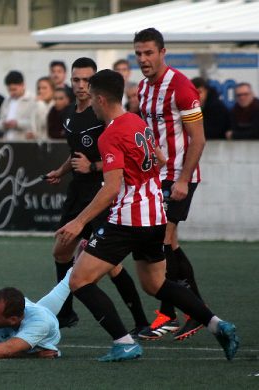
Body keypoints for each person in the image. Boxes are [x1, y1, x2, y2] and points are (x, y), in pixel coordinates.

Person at [57, 69, 239, 362]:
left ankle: (124, 343)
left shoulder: (110, 133)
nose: (89, 103)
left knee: (79, 281)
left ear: (101, 99)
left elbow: (112, 188)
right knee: (156, 285)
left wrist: (79, 221)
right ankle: (217, 325)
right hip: (156, 216)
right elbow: (163, 159)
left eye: (91, 97)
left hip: (128, 220)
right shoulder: (138, 121)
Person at [45, 57, 149, 335]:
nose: (80, 86)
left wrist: (93, 167)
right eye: (76, 80)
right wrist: (62, 170)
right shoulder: (69, 115)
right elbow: (75, 153)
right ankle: (66, 314)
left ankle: (141, 322)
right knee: (61, 249)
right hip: (77, 191)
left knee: (112, 266)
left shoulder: (103, 114)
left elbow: (124, 158)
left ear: (95, 86)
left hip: (102, 193)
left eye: (85, 81)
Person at [134, 28, 208, 341]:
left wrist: (181, 179)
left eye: (149, 52)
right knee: (166, 243)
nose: (143, 59)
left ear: (163, 52)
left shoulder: (181, 87)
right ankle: (172, 311)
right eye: (138, 53)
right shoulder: (142, 88)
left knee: (164, 237)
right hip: (155, 177)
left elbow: (199, 139)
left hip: (179, 177)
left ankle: (190, 311)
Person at [0, 70, 37, 141]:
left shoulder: (33, 100)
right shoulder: (7, 101)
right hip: (7, 141)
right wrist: (4, 124)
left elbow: (35, 123)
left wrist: (17, 124)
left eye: (14, 89)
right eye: (9, 90)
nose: (12, 93)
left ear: (22, 85)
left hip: (24, 142)